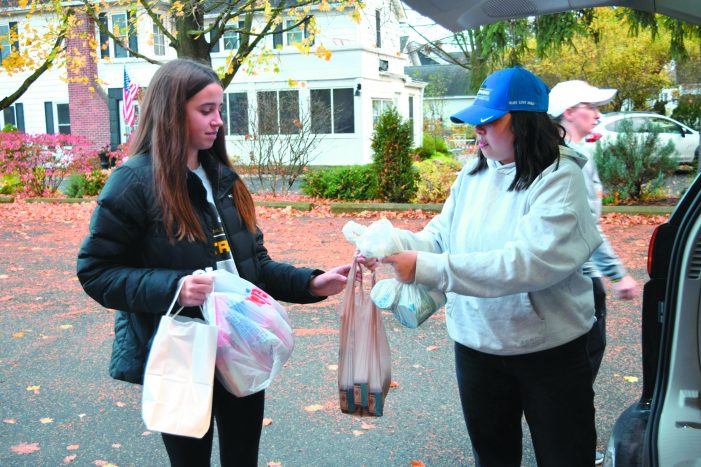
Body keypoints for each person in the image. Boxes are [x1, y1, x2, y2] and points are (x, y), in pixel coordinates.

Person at [76, 59, 352, 467]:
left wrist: (311, 283)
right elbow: (96, 272)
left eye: (219, 109)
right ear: (172, 112)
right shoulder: (133, 182)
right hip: (182, 353)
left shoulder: (223, 178)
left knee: (243, 459)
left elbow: (251, 268)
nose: (218, 121)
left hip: (239, 345)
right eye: (206, 110)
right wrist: (174, 288)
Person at [380, 67, 603, 466]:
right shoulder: (474, 172)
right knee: (493, 457)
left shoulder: (559, 177)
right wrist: (392, 245)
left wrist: (427, 267)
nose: (477, 132)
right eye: (475, 124)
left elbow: (526, 263)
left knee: (565, 456)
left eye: (488, 122)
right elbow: (440, 237)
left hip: (547, 352)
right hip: (476, 347)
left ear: (524, 122)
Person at [548, 79, 640, 464]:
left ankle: (558, 435)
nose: (598, 112)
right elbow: (586, 225)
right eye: (590, 106)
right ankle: (570, 448)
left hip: (570, 273)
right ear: (569, 112)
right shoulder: (570, 158)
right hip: (580, 277)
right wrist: (617, 275)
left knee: (570, 363)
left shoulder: (566, 150)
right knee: (580, 365)